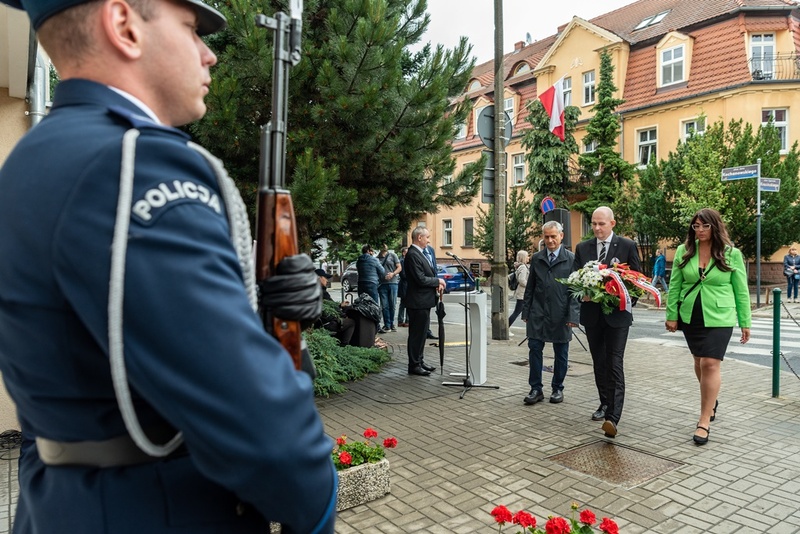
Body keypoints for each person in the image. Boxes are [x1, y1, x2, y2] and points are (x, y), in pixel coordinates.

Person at [0, 1, 336, 533]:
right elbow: (263, 430)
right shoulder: (136, 164)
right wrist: (316, 509)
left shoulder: (33, 158)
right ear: (124, 25)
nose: (209, 56)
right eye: (191, 29)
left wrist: (258, 315)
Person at [665, 208, 751, 445]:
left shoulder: (731, 254)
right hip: (691, 314)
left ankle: (704, 419)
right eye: (696, 226)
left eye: (705, 226)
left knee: (710, 362)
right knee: (698, 360)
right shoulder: (685, 250)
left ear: (715, 226)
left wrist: (745, 321)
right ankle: (710, 400)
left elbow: (741, 290)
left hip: (720, 315)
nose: (700, 231)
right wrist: (671, 315)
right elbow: (675, 285)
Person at [574, 206, 641, 438]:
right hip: (592, 315)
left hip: (617, 317)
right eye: (593, 223)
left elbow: (637, 283)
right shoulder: (583, 248)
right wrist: (581, 292)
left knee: (614, 363)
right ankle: (604, 403)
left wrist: (622, 298)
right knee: (599, 363)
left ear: (612, 223)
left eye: (601, 224)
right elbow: (575, 279)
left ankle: (613, 416)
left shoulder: (627, 246)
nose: (597, 228)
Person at [522, 221, 579, 405]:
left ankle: (557, 388)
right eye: (546, 237)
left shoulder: (571, 259)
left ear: (561, 236)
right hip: (538, 313)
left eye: (553, 236)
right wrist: (526, 312)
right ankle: (536, 389)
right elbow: (530, 288)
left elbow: (574, 291)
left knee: (561, 353)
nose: (550, 240)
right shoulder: (537, 258)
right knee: (534, 350)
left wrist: (573, 316)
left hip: (561, 314)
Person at [404, 226, 446, 376]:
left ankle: (419, 361)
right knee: (417, 334)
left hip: (423, 301)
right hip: (417, 301)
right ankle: (414, 365)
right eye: (427, 237)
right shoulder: (413, 254)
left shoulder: (419, 253)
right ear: (419, 238)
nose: (428, 240)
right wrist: (437, 280)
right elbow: (420, 279)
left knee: (422, 334)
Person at [317, 268, 356, 346]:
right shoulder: (321, 292)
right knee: (351, 322)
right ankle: (344, 346)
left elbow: (329, 305)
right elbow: (332, 309)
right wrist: (344, 315)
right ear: (319, 278)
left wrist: (340, 305)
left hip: (319, 322)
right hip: (325, 323)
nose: (327, 280)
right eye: (325, 278)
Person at [377, 244, 402, 333]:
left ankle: (392, 324)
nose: (384, 246)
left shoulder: (392, 255)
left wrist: (392, 274)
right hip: (382, 284)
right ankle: (387, 325)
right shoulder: (377, 258)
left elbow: (399, 267)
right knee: (385, 306)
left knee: (393, 305)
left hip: (393, 283)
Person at [508, 250, 530, 331]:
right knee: (517, 312)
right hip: (522, 293)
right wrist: (530, 286)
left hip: (522, 293)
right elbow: (522, 280)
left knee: (520, 312)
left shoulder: (521, 266)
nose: (529, 257)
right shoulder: (523, 267)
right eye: (527, 256)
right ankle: (506, 328)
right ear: (524, 257)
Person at [397, 246, 409, 327]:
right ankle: (402, 320)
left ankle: (404, 320)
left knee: (405, 303)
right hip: (405, 284)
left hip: (406, 284)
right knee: (405, 303)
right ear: (404, 253)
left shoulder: (405, 260)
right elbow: (403, 274)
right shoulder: (402, 261)